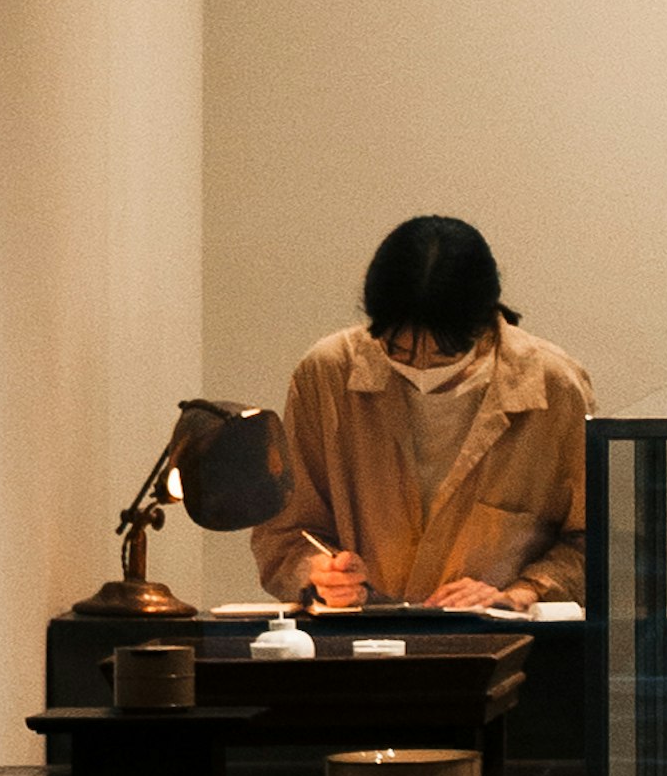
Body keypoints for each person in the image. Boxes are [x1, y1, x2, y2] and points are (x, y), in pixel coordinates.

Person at [249, 213, 593, 617]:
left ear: (485, 325)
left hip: (509, 646)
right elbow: (284, 530)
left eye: (445, 352)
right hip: (361, 647)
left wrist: (523, 591)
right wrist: (319, 575)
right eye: (399, 350)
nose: (423, 367)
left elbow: (596, 541)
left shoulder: (554, 387)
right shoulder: (327, 375)